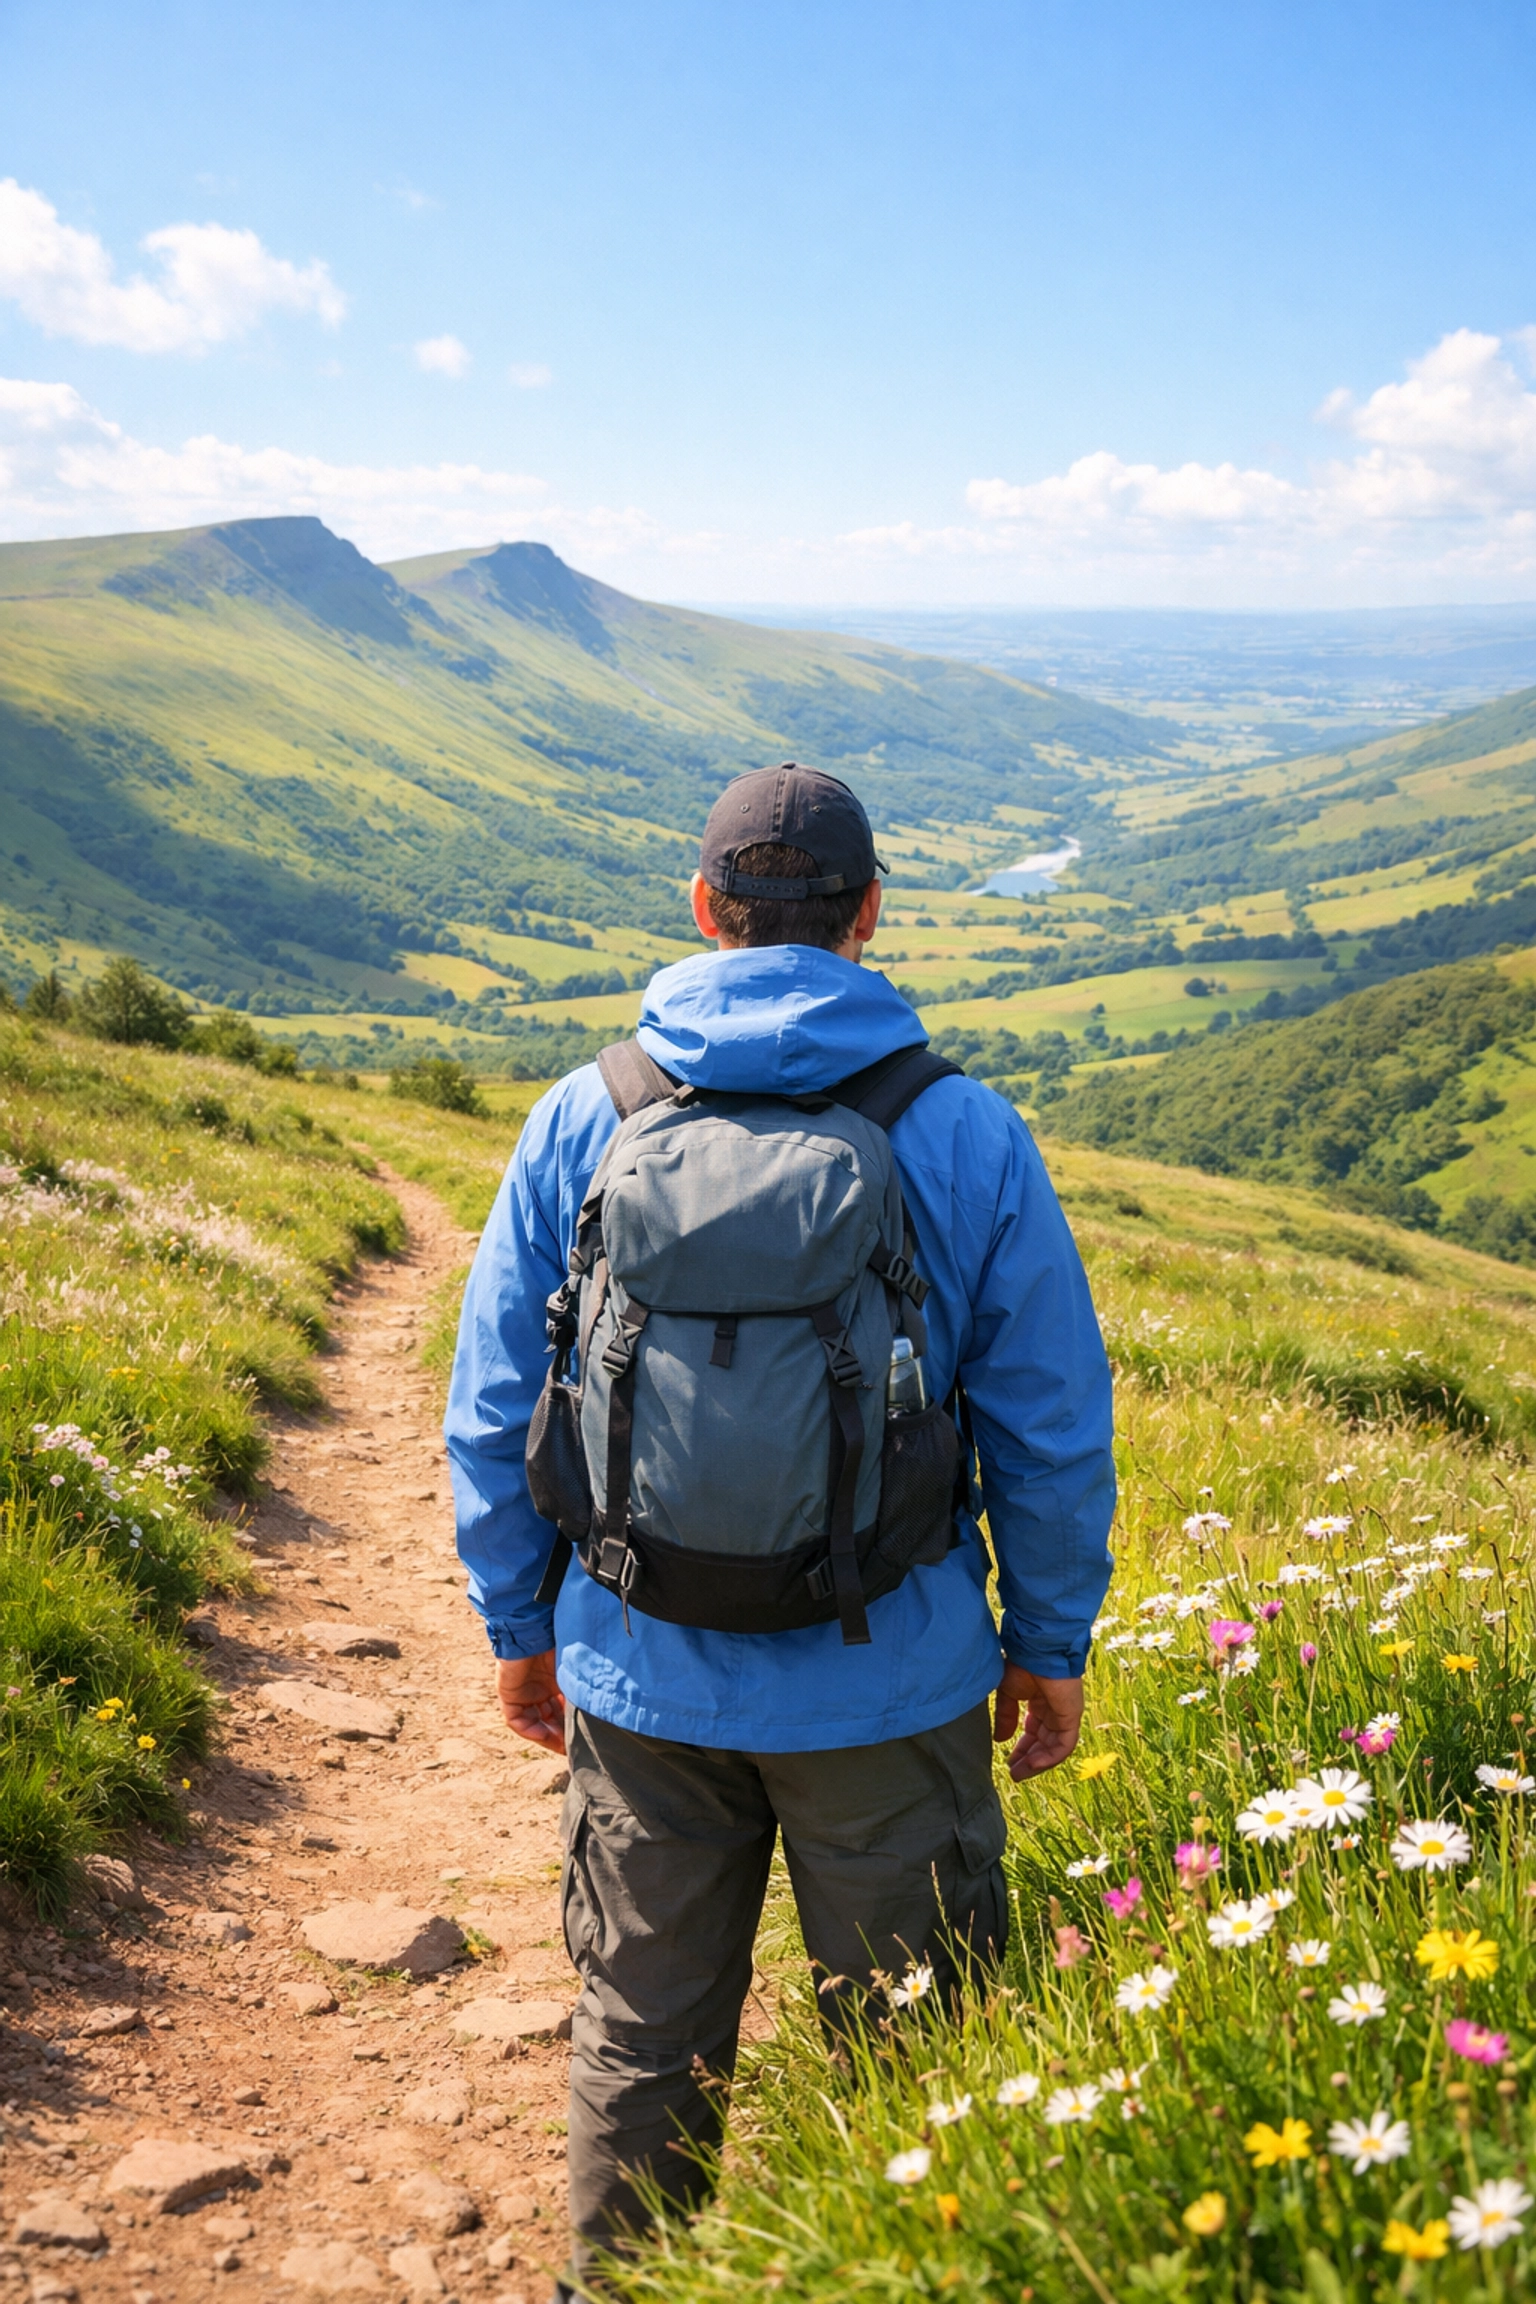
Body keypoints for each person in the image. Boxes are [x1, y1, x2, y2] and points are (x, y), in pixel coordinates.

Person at [446, 763, 1115, 2298]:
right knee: (922, 2047)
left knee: (642, 2029)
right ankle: (899, 2275)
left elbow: (492, 1408)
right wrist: (1050, 1645)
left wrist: (518, 1626)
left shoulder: (588, 1114)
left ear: (703, 911)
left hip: (637, 1665)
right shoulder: (961, 1131)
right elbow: (1049, 1428)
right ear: (871, 916)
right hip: (894, 1678)